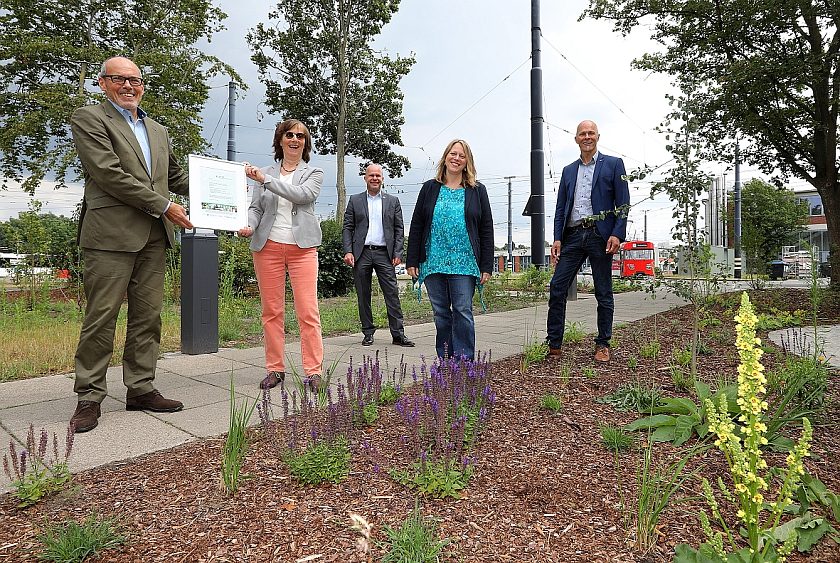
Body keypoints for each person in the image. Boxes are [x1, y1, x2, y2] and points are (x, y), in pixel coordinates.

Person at [70, 57, 194, 433]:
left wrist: (230, 184)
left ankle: (140, 388)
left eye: (135, 80)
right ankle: (89, 395)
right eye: (119, 79)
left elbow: (174, 176)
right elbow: (108, 173)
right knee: (101, 316)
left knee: (148, 317)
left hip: (154, 236)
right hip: (110, 234)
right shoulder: (89, 118)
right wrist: (165, 206)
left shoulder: (157, 129)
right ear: (102, 83)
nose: (129, 86)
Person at [238, 119, 324, 391]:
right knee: (271, 312)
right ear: (280, 140)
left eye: (301, 136)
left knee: (307, 312)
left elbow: (302, 195)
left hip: (303, 250)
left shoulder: (314, 173)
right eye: (290, 134)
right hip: (268, 247)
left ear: (305, 143)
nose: (295, 139)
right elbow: (256, 208)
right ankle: (275, 369)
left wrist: (266, 180)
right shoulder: (263, 173)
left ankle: (314, 372)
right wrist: (249, 225)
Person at [546, 120, 630, 363]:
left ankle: (603, 344)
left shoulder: (614, 165)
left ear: (598, 136)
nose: (587, 137)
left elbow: (623, 203)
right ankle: (554, 344)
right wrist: (557, 238)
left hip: (600, 235)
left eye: (590, 133)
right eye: (582, 134)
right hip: (572, 236)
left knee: (603, 291)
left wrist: (617, 233)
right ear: (576, 139)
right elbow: (561, 207)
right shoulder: (568, 170)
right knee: (557, 287)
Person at [406, 139, 493, 361]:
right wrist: (412, 260)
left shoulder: (477, 191)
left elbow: (486, 229)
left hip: (465, 262)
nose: (456, 158)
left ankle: (464, 364)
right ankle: (446, 362)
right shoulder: (429, 188)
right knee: (441, 314)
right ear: (445, 157)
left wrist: (486, 265)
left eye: (462, 156)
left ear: (467, 162)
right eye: (453, 154)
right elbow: (417, 224)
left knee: (463, 311)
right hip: (434, 260)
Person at [343, 165, 415, 347]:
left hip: (385, 254)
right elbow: (348, 228)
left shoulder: (393, 201)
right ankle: (368, 333)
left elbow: (399, 229)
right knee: (363, 294)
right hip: (361, 253)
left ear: (382, 179)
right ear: (365, 178)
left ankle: (398, 334)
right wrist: (348, 250)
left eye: (378, 175)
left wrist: (398, 252)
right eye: (371, 175)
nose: (375, 178)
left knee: (392, 293)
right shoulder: (355, 200)